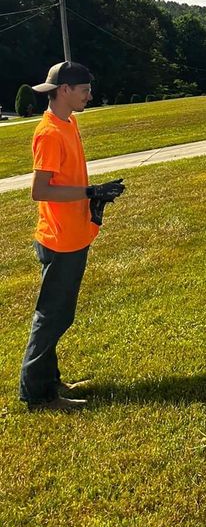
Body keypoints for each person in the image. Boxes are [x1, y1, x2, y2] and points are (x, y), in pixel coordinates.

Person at [19, 61, 125, 412]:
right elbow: (40, 190)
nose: (90, 96)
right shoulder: (49, 133)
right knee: (52, 316)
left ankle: (50, 381)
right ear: (64, 91)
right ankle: (37, 394)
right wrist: (88, 191)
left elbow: (67, 181)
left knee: (58, 314)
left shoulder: (69, 122)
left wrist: (91, 196)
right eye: (85, 91)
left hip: (74, 235)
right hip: (59, 239)